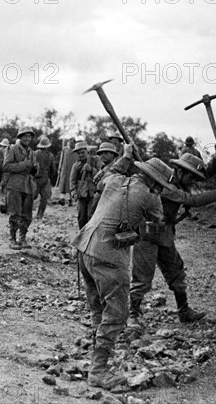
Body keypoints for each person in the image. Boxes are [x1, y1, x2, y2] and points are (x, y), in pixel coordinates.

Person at [72, 158, 172, 390]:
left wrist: (126, 156)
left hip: (85, 248)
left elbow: (105, 174)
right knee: (117, 312)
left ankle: (98, 354)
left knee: (99, 307)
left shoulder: (114, 179)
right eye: (159, 184)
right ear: (154, 181)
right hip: (109, 255)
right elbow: (157, 222)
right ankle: (98, 370)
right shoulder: (151, 196)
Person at [126, 142, 216, 325]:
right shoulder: (168, 186)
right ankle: (133, 315)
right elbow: (194, 200)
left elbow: (204, 175)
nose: (194, 182)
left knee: (176, 271)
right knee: (142, 275)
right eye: (191, 177)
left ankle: (184, 310)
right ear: (180, 172)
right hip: (148, 232)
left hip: (165, 232)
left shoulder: (178, 182)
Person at [3, 127, 38, 249]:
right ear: (19, 137)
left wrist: (34, 168)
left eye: (29, 136)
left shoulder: (32, 152)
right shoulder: (12, 149)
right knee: (15, 213)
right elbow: (6, 166)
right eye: (25, 136)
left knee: (27, 215)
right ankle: (12, 239)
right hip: (15, 185)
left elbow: (33, 171)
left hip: (28, 186)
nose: (27, 139)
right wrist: (24, 164)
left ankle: (22, 238)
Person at [70, 141, 98, 228]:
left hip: (94, 194)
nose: (81, 155)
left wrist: (92, 170)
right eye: (78, 153)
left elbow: (102, 174)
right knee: (82, 217)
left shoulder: (95, 160)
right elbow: (72, 181)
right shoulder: (76, 166)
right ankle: (82, 236)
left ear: (88, 152)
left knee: (92, 216)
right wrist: (74, 193)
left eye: (83, 152)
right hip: (81, 194)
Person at [89, 142, 119, 215]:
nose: (102, 155)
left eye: (106, 153)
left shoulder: (115, 168)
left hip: (107, 199)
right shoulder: (102, 168)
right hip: (97, 198)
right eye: (101, 153)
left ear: (113, 155)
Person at [34, 136, 57, 219]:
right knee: (44, 198)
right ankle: (40, 214)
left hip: (36, 178)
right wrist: (49, 177)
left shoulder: (35, 153)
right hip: (45, 178)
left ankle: (27, 212)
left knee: (32, 196)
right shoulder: (50, 156)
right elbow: (53, 169)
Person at [56, 138, 78, 206]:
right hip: (64, 169)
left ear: (74, 143)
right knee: (63, 184)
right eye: (69, 142)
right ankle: (62, 199)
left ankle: (70, 200)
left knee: (71, 185)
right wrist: (59, 168)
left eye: (72, 143)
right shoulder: (65, 149)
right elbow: (61, 159)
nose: (70, 144)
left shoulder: (76, 150)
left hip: (72, 170)